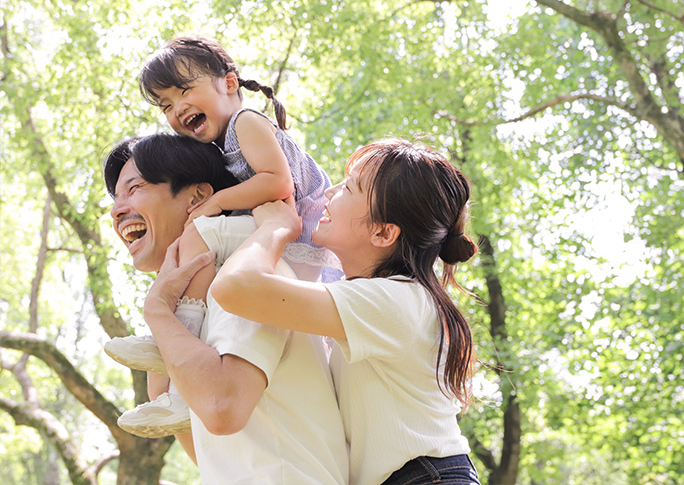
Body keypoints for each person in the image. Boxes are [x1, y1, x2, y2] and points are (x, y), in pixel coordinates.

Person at [195, 137, 479, 484]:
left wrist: (274, 229)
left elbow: (235, 288)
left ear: (383, 232)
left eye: (349, 188)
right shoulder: (377, 300)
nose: (329, 193)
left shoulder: (394, 300)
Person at [104, 35, 341, 435]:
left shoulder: (246, 122)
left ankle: (176, 334)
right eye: (166, 105)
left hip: (302, 239)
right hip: (288, 238)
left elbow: (278, 182)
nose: (177, 108)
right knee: (199, 238)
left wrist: (215, 204)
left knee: (200, 235)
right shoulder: (223, 146)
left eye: (184, 91)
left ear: (230, 83)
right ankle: (173, 347)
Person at [104, 133, 348, 484]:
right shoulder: (193, 309)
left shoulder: (245, 279)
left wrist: (156, 310)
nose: (116, 210)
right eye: (116, 198)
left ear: (198, 197)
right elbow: (204, 448)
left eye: (135, 188)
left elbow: (222, 409)